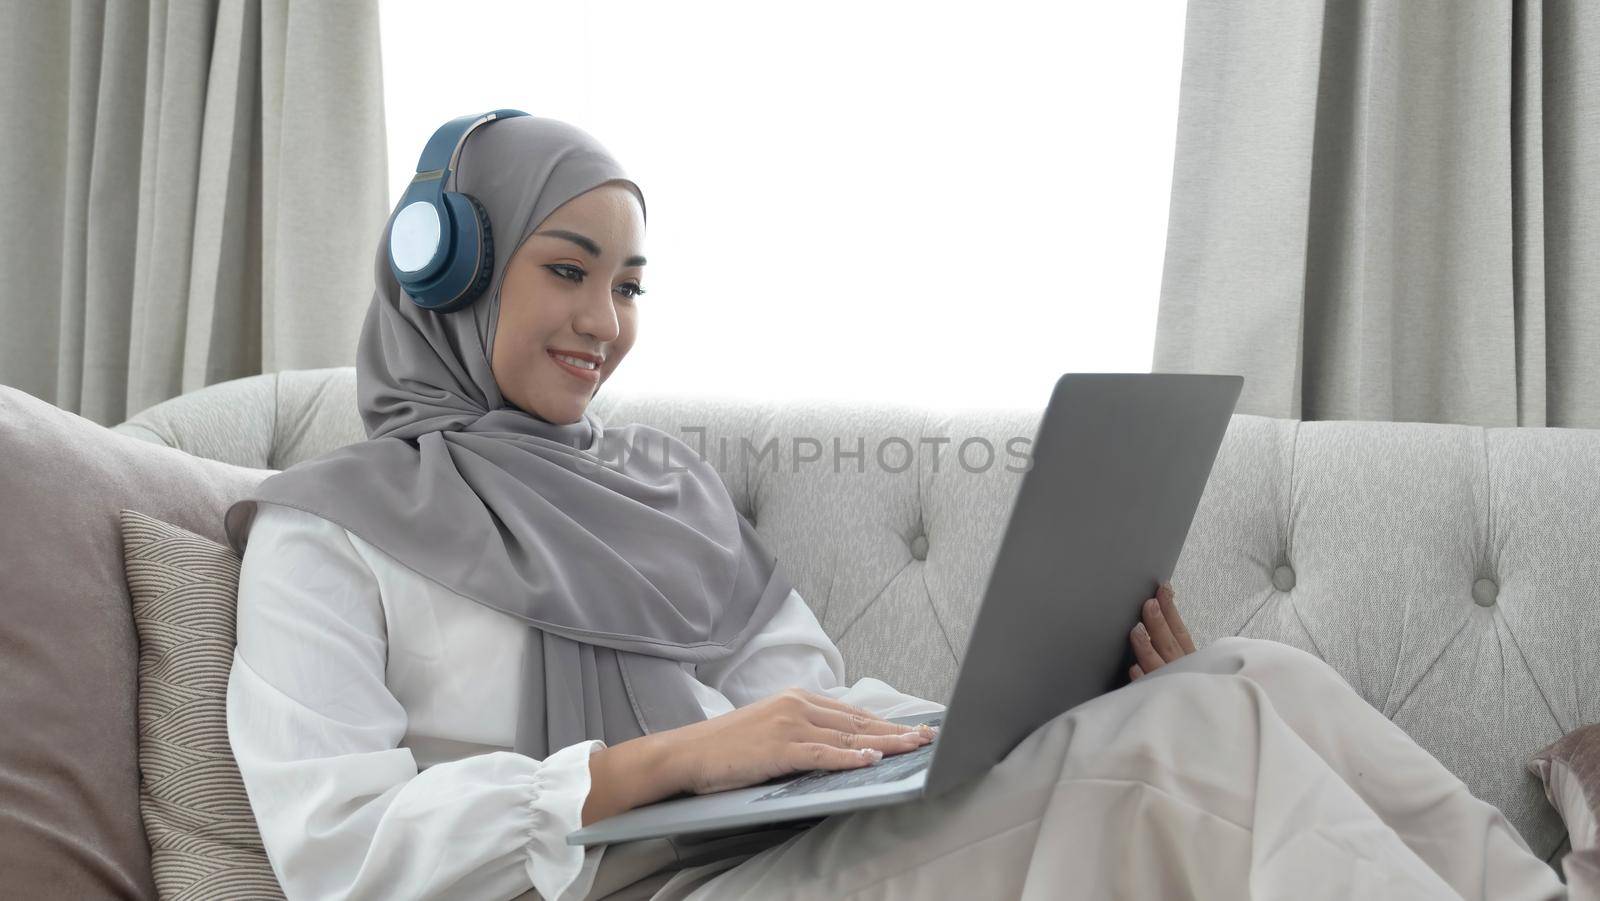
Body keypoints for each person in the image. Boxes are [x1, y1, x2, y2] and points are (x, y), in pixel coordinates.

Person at [223, 114, 1568, 901]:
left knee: (1242, 673)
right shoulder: (324, 530)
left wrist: (1043, 705)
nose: (605, 322)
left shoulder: (654, 490)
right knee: (1185, 745)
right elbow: (334, 849)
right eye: (569, 270)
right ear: (442, 271)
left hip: (785, 857)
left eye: (630, 284)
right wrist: (659, 763)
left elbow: (813, 713)